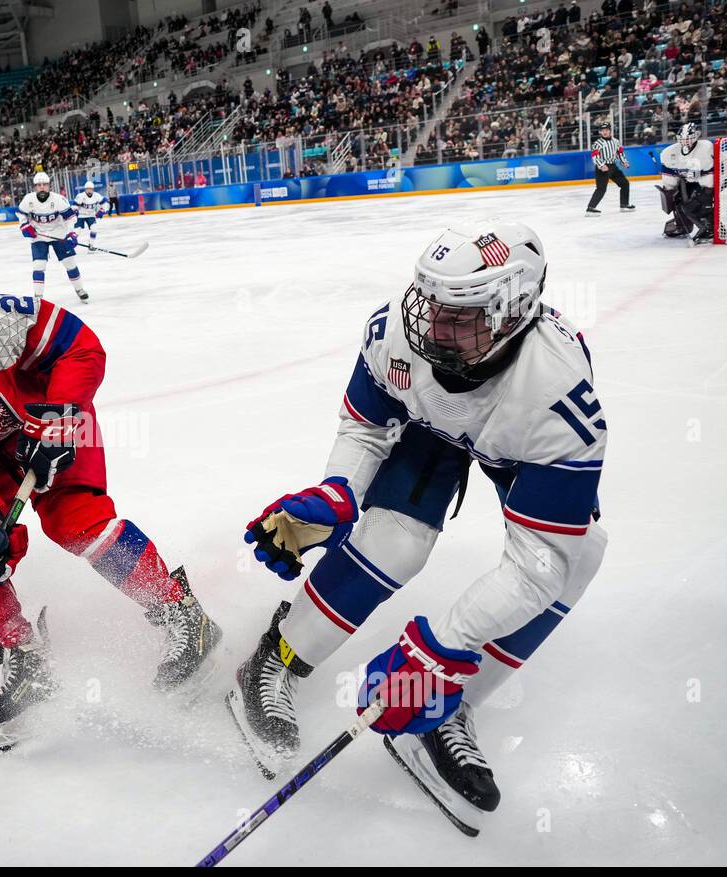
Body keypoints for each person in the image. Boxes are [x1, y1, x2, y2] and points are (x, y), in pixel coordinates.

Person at [228, 223, 607, 836]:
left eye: (460, 315)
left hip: (516, 447)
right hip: (428, 429)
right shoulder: (395, 335)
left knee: (578, 557)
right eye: (430, 304)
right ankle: (277, 656)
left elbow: (542, 564)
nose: (432, 328)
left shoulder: (559, 397)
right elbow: (365, 426)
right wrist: (338, 491)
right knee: (395, 540)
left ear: (514, 310)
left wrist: (442, 650)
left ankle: (442, 706)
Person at [0, 253, 222, 758]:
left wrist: (58, 421)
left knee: (75, 521)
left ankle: (180, 611)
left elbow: (80, 347)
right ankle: (25, 658)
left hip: (50, 422)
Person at [16, 171, 87, 302]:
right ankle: (38, 298)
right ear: (35, 187)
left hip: (59, 234)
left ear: (49, 186)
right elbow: (21, 214)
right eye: (39, 185)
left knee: (69, 262)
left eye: (44, 184)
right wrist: (24, 225)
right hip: (38, 236)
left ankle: (79, 289)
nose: (42, 187)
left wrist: (72, 234)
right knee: (39, 265)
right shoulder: (28, 199)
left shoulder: (58, 199)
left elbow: (71, 218)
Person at [658, 123, 717, 243]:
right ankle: (682, 225)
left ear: (696, 137)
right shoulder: (669, 153)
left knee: (696, 202)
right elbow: (669, 176)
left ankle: (710, 228)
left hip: (714, 179)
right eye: (682, 139)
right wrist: (669, 191)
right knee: (679, 200)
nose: (685, 142)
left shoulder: (705, 149)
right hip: (691, 180)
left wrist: (706, 193)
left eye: (688, 138)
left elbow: (709, 178)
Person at [585, 121, 634, 214]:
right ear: (600, 132)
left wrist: (624, 162)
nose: (605, 132)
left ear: (610, 131)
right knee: (601, 188)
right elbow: (595, 155)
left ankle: (624, 204)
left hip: (613, 167)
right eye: (602, 130)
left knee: (624, 183)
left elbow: (620, 152)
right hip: (602, 168)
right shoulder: (598, 143)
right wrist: (601, 165)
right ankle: (590, 208)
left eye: (606, 130)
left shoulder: (616, 141)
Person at [70, 180, 109, 251]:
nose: (89, 190)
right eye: (88, 189)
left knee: (94, 229)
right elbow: (74, 205)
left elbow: (105, 203)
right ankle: (70, 244)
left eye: (91, 189)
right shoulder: (80, 196)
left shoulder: (97, 196)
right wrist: (75, 210)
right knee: (77, 232)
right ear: (85, 189)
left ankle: (91, 245)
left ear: (93, 189)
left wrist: (103, 210)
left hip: (91, 215)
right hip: (81, 216)